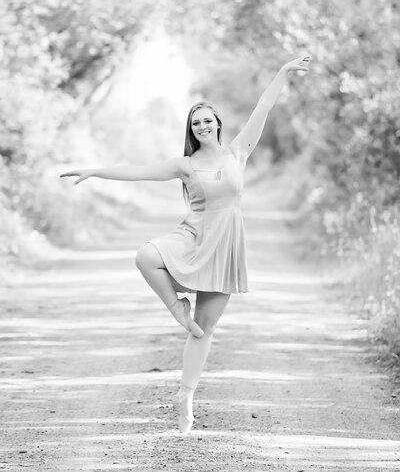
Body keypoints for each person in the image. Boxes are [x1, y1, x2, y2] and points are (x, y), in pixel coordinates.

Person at [60, 55, 311, 434]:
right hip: (194, 236)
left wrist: (282, 72)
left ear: (217, 125)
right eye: (196, 122)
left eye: (208, 120)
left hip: (226, 245)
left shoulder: (238, 151)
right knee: (145, 255)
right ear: (191, 130)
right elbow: (141, 172)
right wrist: (96, 170)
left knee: (204, 329)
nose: (203, 125)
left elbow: (264, 106)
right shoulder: (186, 165)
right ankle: (177, 307)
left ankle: (185, 397)